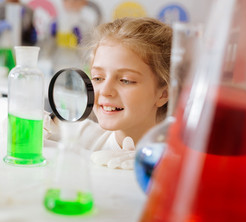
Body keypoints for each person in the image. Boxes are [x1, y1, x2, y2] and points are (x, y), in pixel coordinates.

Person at [44, 17, 172, 170]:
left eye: (125, 80)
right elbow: (11, 131)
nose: (105, 91)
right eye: (98, 78)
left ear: (163, 94)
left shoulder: (177, 160)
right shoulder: (86, 136)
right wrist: (31, 123)